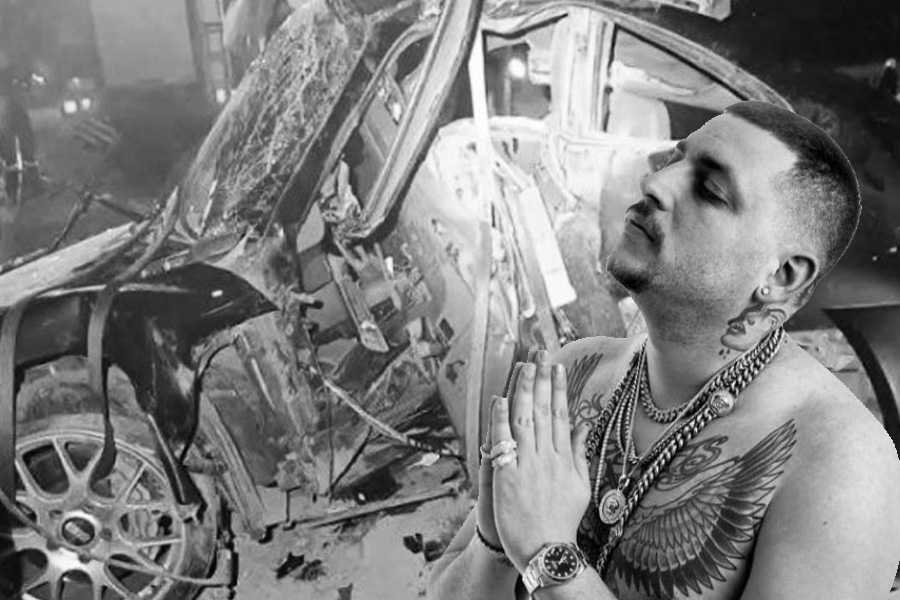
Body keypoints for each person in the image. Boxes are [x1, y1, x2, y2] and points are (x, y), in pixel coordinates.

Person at [427, 100, 900, 600]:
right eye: (674, 160)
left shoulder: (844, 465)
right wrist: (496, 542)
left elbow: (542, 548)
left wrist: (547, 550)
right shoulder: (571, 373)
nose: (655, 183)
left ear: (781, 276)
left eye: (710, 190)